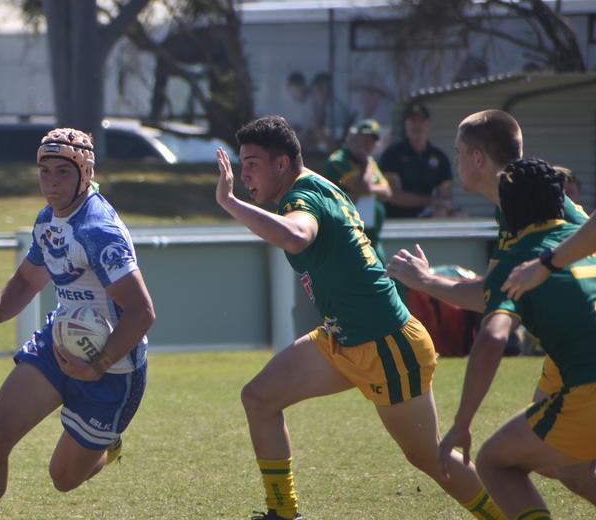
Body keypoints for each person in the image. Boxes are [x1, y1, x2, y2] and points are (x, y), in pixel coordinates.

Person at [214, 116, 504, 520]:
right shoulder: (317, 184)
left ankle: (511, 516)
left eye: (251, 163)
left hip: (386, 343)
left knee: (431, 459)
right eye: (241, 164)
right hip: (343, 337)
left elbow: (296, 235)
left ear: (281, 164)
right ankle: (284, 512)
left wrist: (230, 202)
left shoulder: (303, 198)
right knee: (259, 398)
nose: (243, 174)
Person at [0, 128, 154, 520]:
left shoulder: (98, 231)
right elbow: (25, 281)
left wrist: (97, 366)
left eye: (62, 173)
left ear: (85, 173)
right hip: (57, 345)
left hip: (113, 370)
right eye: (44, 171)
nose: (51, 183)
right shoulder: (49, 219)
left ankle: (107, 445)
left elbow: (142, 313)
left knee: (63, 478)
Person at [386, 109, 596, 502]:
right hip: (569, 343)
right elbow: (495, 293)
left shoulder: (542, 206)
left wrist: (547, 266)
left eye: (459, 152)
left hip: (583, 339)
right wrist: (429, 281)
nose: (456, 161)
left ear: (478, 159)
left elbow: (502, 308)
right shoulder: (514, 207)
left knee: (527, 460)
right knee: (559, 462)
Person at [439, 158, 596, 519]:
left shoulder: (516, 263)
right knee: (573, 468)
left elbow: (493, 338)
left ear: (507, 211)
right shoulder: (580, 241)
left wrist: (462, 424)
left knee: (495, 463)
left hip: (589, 391)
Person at [323, 118, 391, 255]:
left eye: (372, 140)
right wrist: (366, 164)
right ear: (354, 138)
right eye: (364, 138)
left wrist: (371, 188)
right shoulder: (339, 160)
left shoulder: (370, 162)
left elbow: (387, 192)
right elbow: (362, 187)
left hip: (371, 235)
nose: (368, 144)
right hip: (346, 232)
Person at [378, 102, 454, 218]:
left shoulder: (440, 157)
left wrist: (442, 207)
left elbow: (445, 196)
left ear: (428, 124)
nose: (417, 125)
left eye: (421, 120)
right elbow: (394, 196)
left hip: (427, 216)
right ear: (405, 125)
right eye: (413, 121)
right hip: (396, 221)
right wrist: (432, 201)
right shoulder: (392, 155)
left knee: (459, 216)